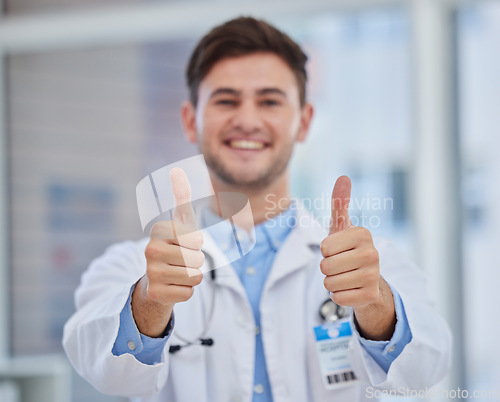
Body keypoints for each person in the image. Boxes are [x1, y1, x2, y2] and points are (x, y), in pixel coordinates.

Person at [63, 16, 451, 402]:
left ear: (304, 121)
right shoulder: (130, 269)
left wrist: (376, 306)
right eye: (226, 100)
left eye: (269, 101)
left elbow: (423, 372)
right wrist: (149, 302)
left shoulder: (374, 265)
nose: (247, 120)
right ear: (189, 120)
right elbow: (105, 371)